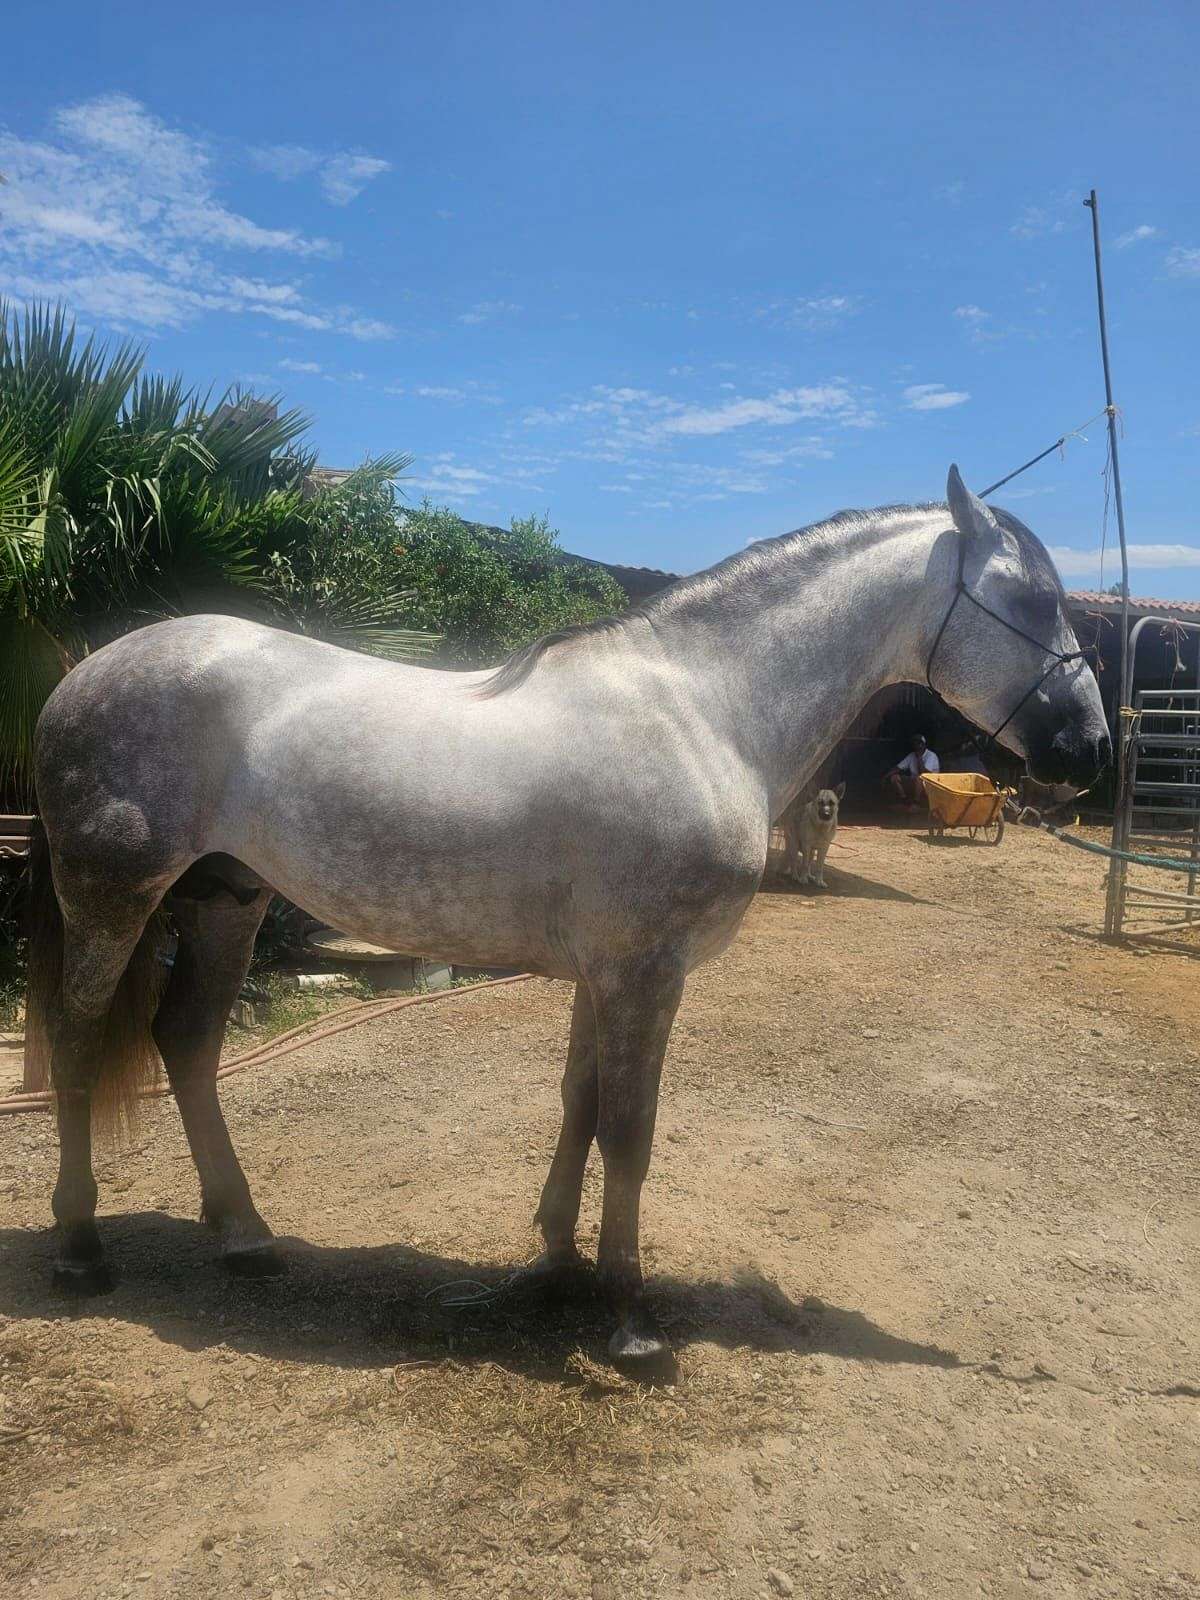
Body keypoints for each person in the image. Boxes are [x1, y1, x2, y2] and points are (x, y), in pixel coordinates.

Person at [885, 734, 939, 808]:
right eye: (915, 743)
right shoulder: (912, 755)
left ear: (923, 745)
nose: (917, 745)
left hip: (930, 783)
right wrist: (885, 776)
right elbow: (898, 768)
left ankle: (916, 803)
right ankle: (904, 800)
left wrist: (919, 758)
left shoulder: (931, 755)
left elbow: (924, 773)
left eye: (919, 743)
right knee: (894, 777)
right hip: (915, 781)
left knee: (919, 778)